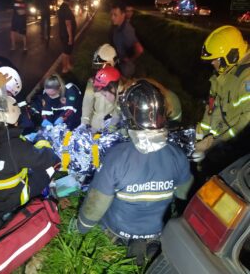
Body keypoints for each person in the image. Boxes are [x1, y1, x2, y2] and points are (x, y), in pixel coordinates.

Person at [77, 80, 193, 265]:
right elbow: (185, 195)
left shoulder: (117, 156)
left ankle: (125, 242)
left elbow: (96, 204)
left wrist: (80, 228)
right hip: (158, 229)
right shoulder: (177, 155)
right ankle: (149, 244)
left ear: (129, 116)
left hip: (118, 228)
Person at [0, 96, 60, 220]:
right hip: (9, 202)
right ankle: (34, 200)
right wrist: (41, 139)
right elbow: (47, 158)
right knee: (53, 164)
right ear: (15, 120)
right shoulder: (15, 147)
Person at [194, 25, 250, 159]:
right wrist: (200, 133)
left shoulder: (246, 78)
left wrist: (215, 143)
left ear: (232, 55)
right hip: (218, 144)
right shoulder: (222, 75)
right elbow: (212, 108)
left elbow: (246, 121)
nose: (213, 63)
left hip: (234, 149)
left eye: (216, 59)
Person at [80, 44, 120, 131]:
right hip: (95, 124)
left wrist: (113, 124)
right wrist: (84, 122)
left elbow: (119, 106)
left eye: (102, 65)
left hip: (112, 125)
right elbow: (87, 103)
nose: (99, 69)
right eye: (98, 66)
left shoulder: (118, 82)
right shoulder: (92, 81)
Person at [110, 3, 144, 78]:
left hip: (126, 68)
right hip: (118, 62)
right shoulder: (116, 27)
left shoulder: (127, 30)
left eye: (115, 15)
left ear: (123, 15)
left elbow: (139, 49)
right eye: (111, 14)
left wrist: (129, 60)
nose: (112, 17)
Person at [58, 0, 77, 74]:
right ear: (70, 0)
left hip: (63, 33)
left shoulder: (62, 7)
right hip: (66, 34)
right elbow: (68, 24)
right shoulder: (67, 9)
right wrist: (70, 37)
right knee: (65, 52)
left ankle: (68, 65)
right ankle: (64, 68)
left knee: (68, 51)